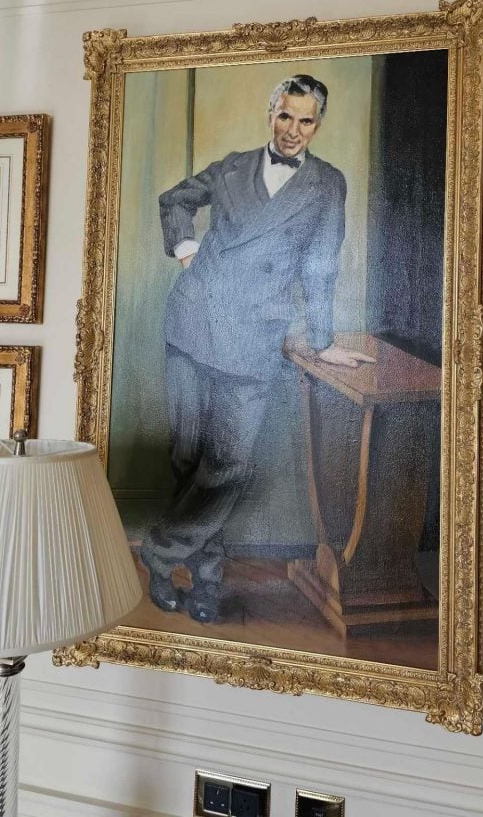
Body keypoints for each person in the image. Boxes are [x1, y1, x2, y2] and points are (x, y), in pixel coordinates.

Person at [140, 74, 373, 622]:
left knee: (227, 465)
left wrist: (322, 341)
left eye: (306, 120)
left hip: (253, 338)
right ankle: (205, 581)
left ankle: (158, 552)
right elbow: (174, 201)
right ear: (271, 113)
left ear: (319, 124)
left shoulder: (326, 184)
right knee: (188, 461)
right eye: (286, 116)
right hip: (193, 325)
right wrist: (188, 249)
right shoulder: (231, 166)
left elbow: (322, 264)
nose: (294, 131)